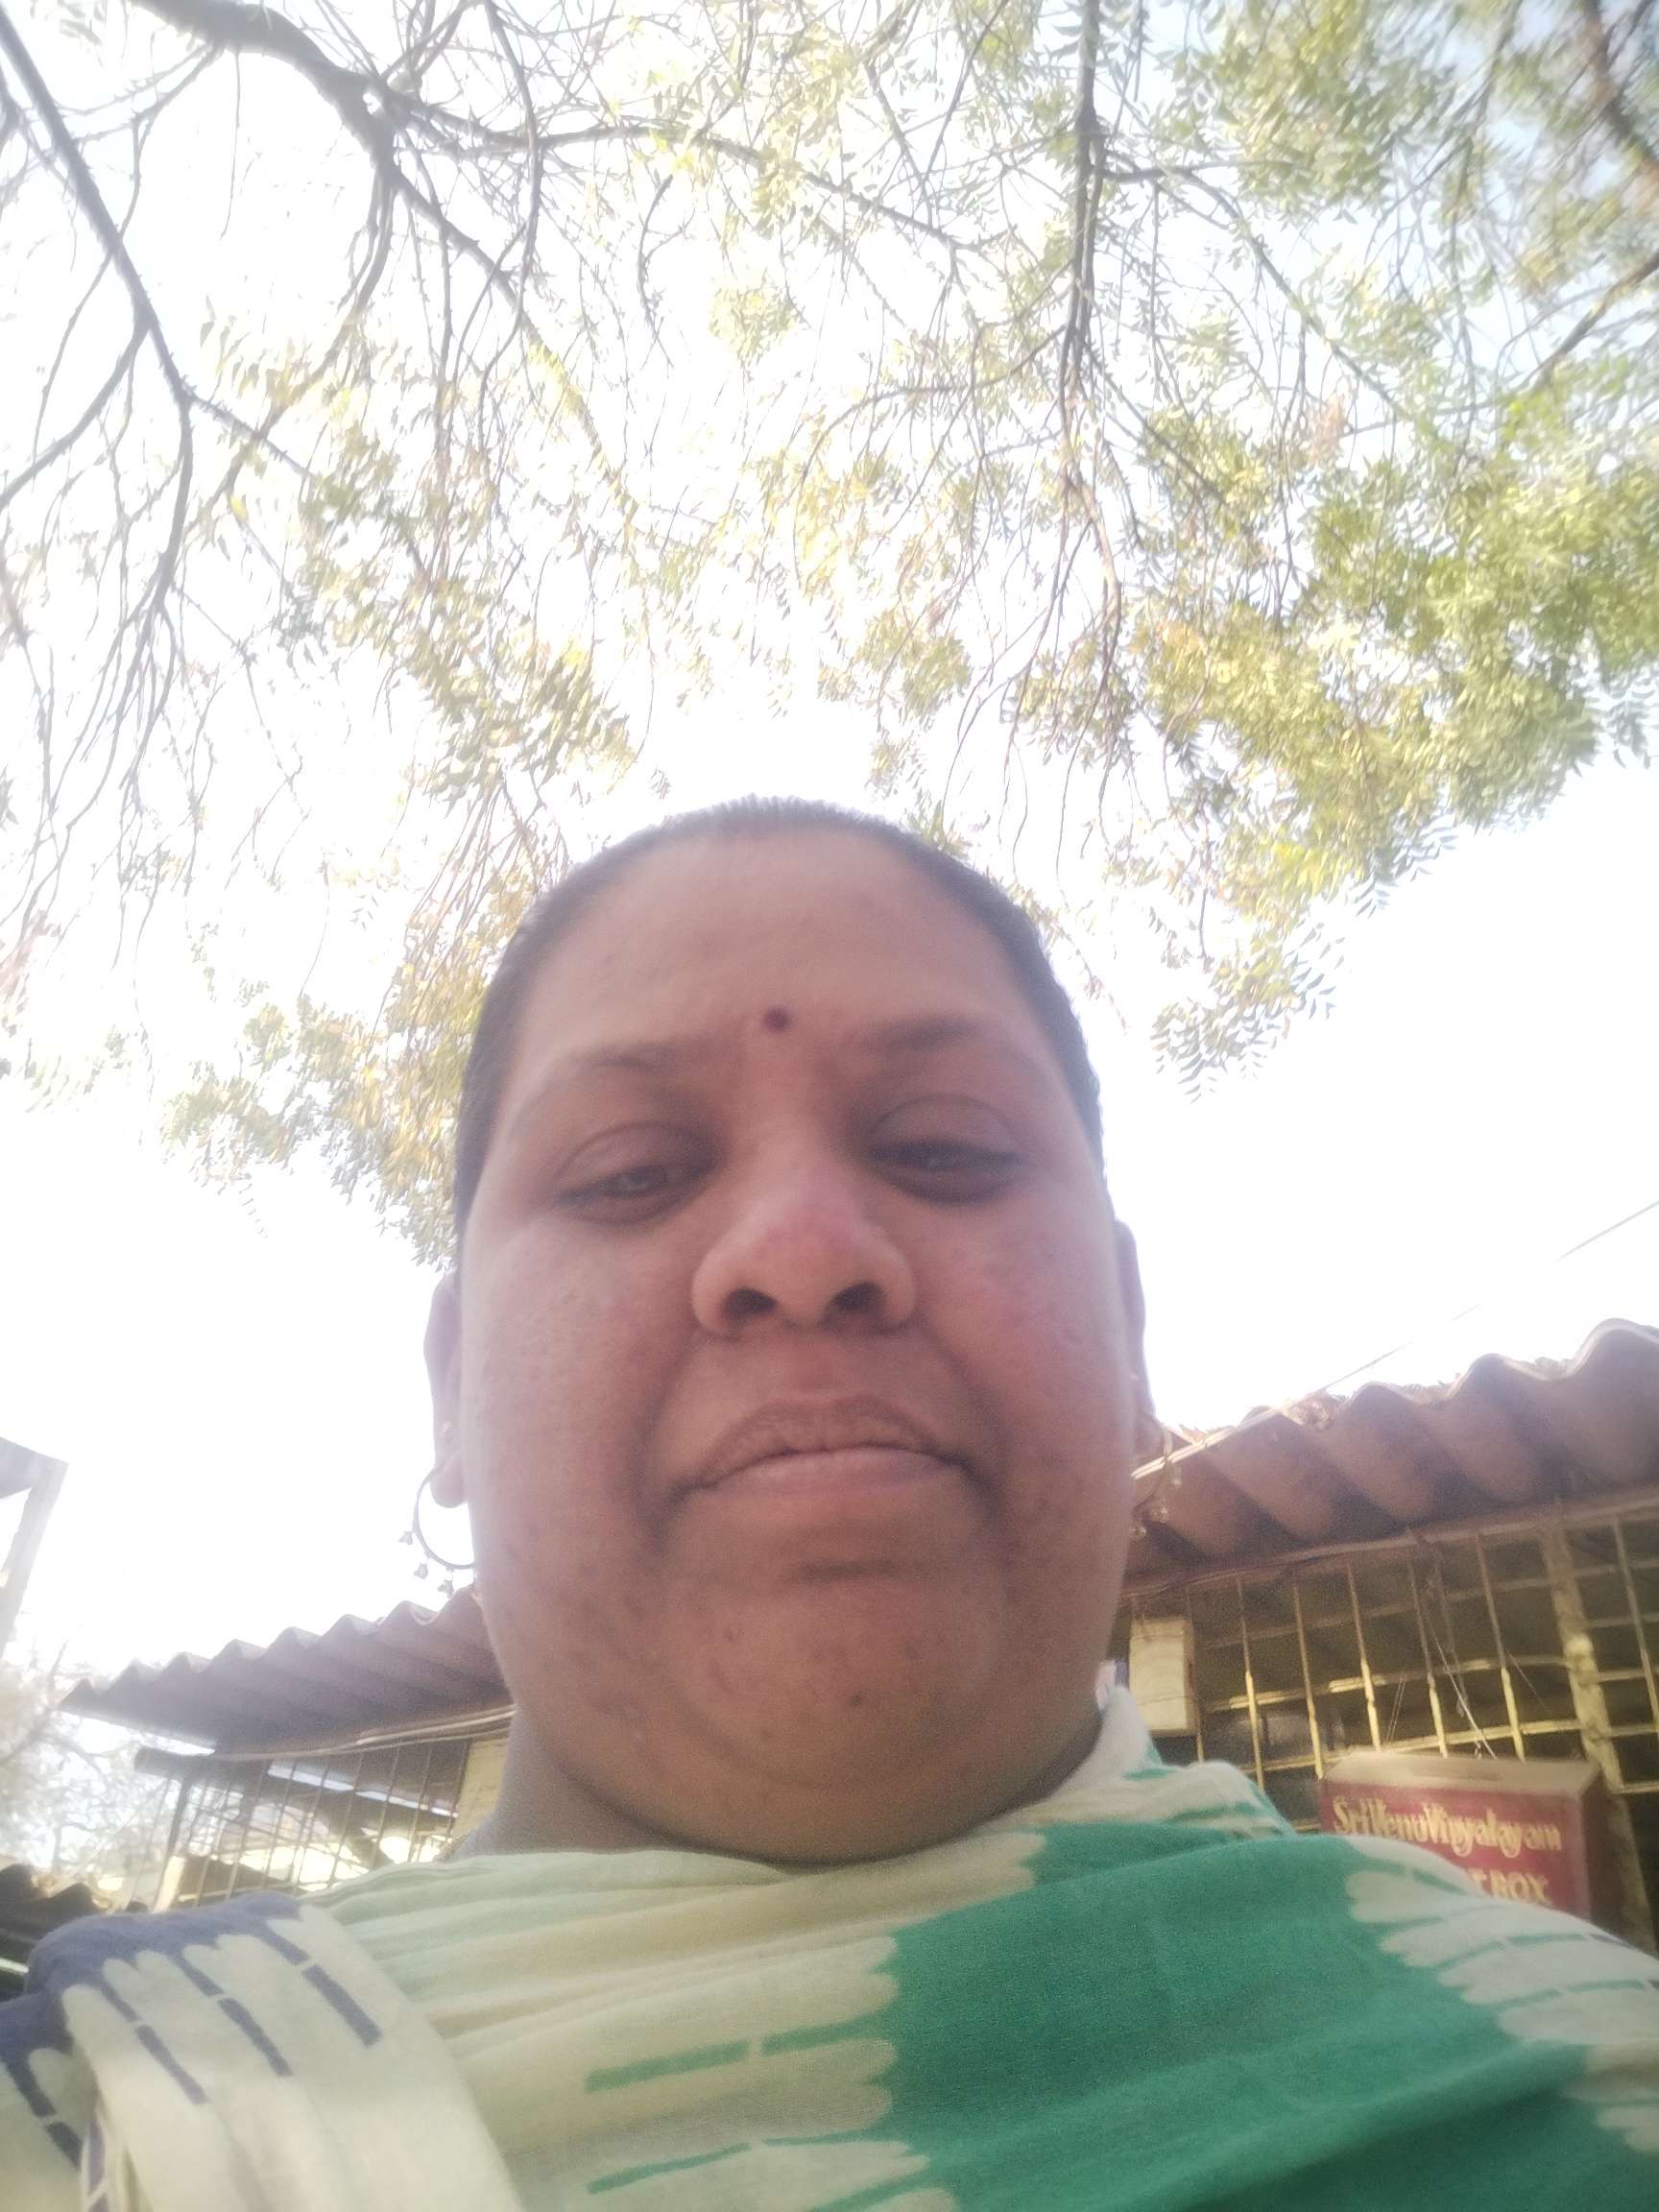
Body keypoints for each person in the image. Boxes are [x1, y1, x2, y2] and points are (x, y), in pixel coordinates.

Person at [4, 799, 1657, 2210]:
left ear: (1131, 1335)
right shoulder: (96, 2131)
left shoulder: (1592, 2074)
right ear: (449, 1388)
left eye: (944, 1147)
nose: (801, 1250)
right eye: (631, 1173)